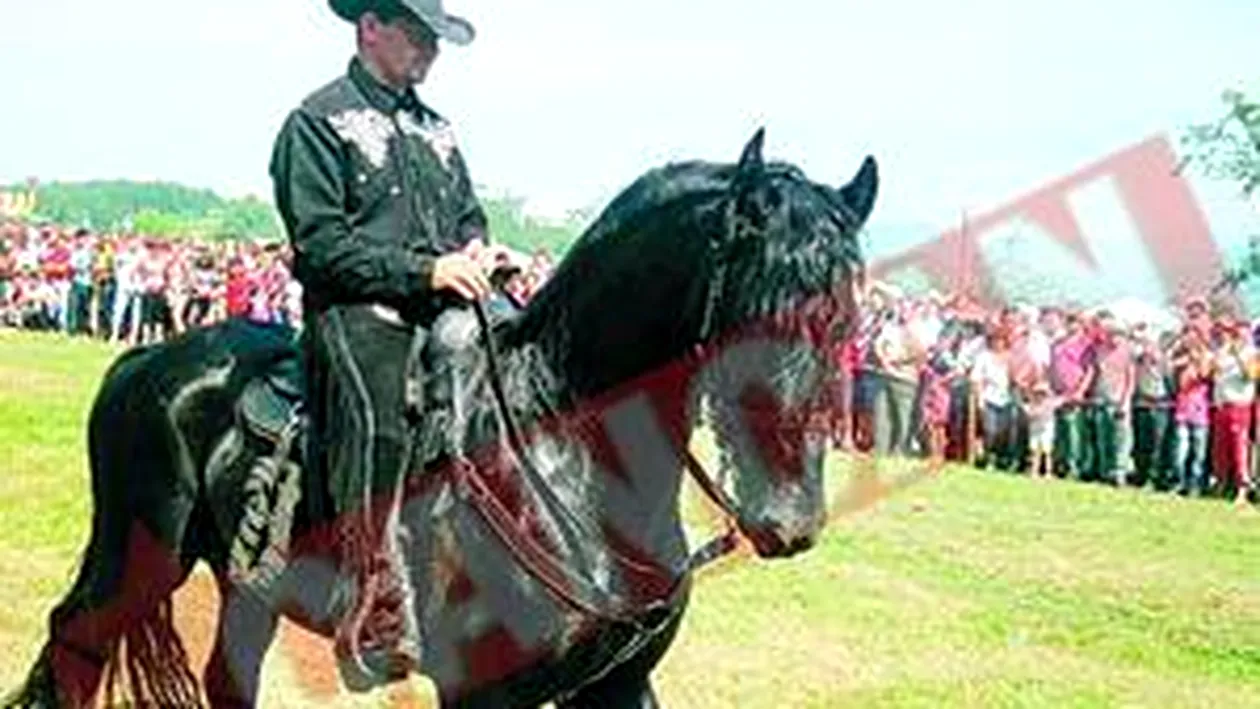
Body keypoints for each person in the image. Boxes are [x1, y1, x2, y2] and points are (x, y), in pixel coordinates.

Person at [269, 0, 502, 686]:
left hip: (446, 302)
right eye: (419, 33)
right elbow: (320, 245)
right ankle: (371, 601)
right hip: (354, 311)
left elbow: (467, 214)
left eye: (436, 37)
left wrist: (479, 250)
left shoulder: (438, 128)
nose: (430, 49)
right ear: (371, 26)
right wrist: (425, 270)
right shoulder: (316, 121)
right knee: (379, 415)